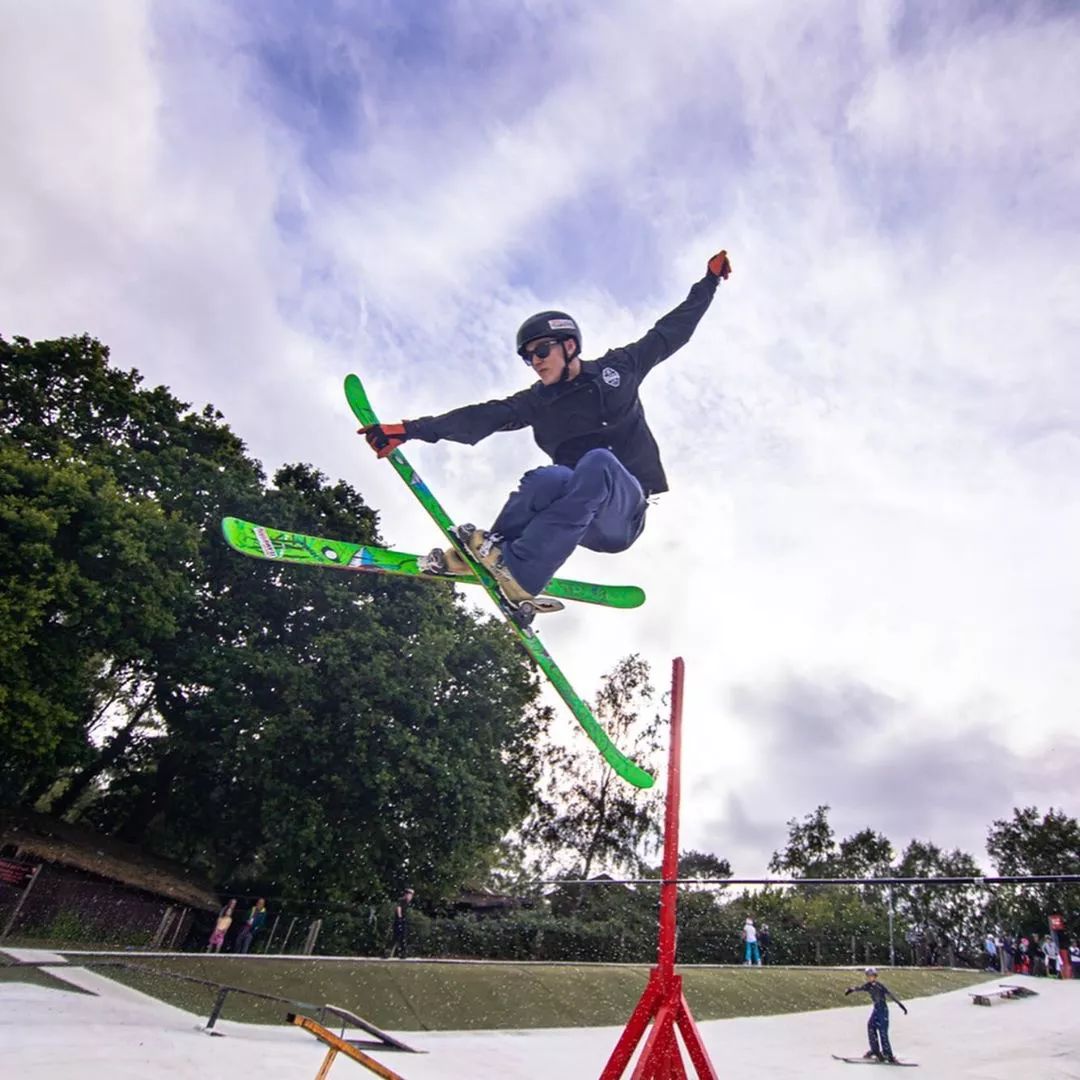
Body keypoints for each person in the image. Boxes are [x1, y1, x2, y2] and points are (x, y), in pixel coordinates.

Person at [359, 252, 732, 607]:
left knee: (597, 462)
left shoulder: (618, 369)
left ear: (569, 346)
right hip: (577, 516)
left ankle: (524, 575)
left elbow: (670, 332)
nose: (535, 363)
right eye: (528, 358)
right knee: (546, 479)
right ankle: (491, 552)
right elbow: (484, 416)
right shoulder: (537, 401)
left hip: (623, 512)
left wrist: (710, 282)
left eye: (541, 352)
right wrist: (410, 429)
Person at [845, 966, 908, 1063]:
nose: (870, 977)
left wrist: (900, 1005)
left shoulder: (880, 986)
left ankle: (888, 1055)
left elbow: (890, 995)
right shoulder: (868, 986)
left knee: (883, 1033)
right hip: (876, 1010)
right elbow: (860, 988)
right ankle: (876, 1051)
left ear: (875, 976)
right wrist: (851, 989)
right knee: (870, 1026)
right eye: (868, 976)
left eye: (872, 976)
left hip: (883, 1012)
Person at [389, 888, 414, 958]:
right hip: (400, 920)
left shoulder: (406, 902)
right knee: (398, 936)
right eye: (410, 895)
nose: (410, 897)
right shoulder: (402, 901)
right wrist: (400, 917)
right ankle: (392, 952)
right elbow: (398, 908)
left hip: (403, 920)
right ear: (406, 895)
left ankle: (402, 952)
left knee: (402, 937)